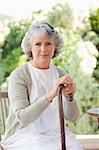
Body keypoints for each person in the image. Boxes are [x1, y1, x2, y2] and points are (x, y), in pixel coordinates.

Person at [0, 22, 83, 150]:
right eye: (38, 44)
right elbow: (23, 118)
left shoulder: (61, 74)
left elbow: (72, 117)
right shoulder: (19, 75)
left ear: (55, 47)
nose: (43, 49)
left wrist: (69, 97)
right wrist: (52, 94)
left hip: (57, 135)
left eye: (48, 43)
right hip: (24, 136)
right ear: (30, 48)